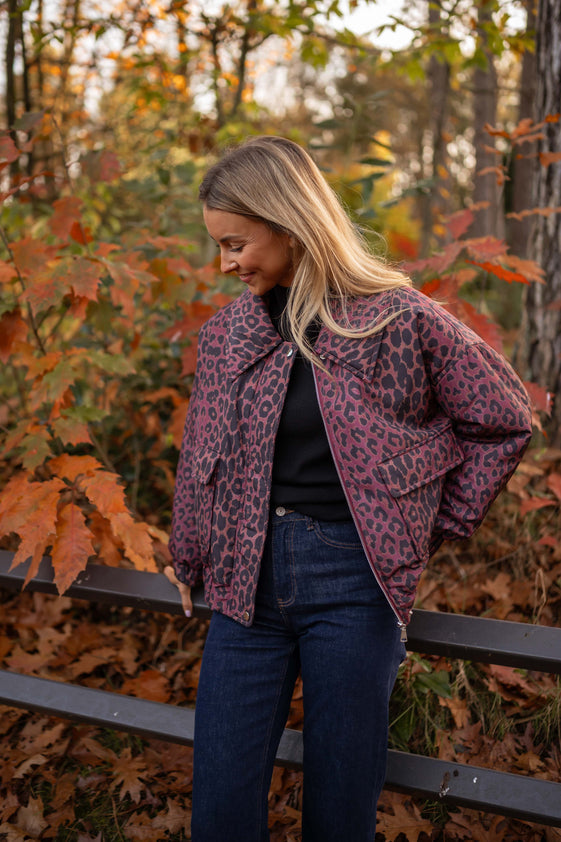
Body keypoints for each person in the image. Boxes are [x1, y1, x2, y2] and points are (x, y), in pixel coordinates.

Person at [164, 135, 533, 842]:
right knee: (219, 808)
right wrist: (190, 557)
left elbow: (502, 421)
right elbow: (201, 455)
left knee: (340, 811)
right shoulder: (227, 336)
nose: (225, 263)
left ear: (287, 221)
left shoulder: (398, 322)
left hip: (353, 587)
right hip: (243, 589)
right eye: (219, 246)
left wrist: (429, 527)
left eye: (236, 242)